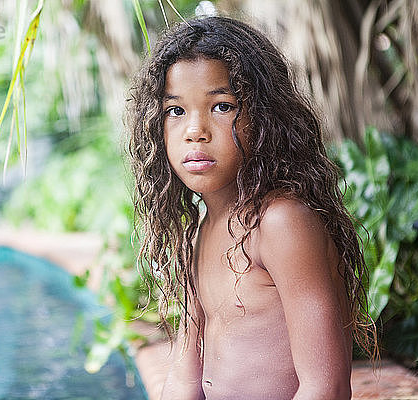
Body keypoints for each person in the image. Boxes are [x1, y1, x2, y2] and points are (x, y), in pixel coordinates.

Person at [126, 16, 377, 400]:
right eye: (175, 111)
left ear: (264, 118)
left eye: (222, 106)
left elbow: (325, 386)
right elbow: (185, 374)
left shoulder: (279, 223)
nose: (196, 129)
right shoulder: (200, 232)